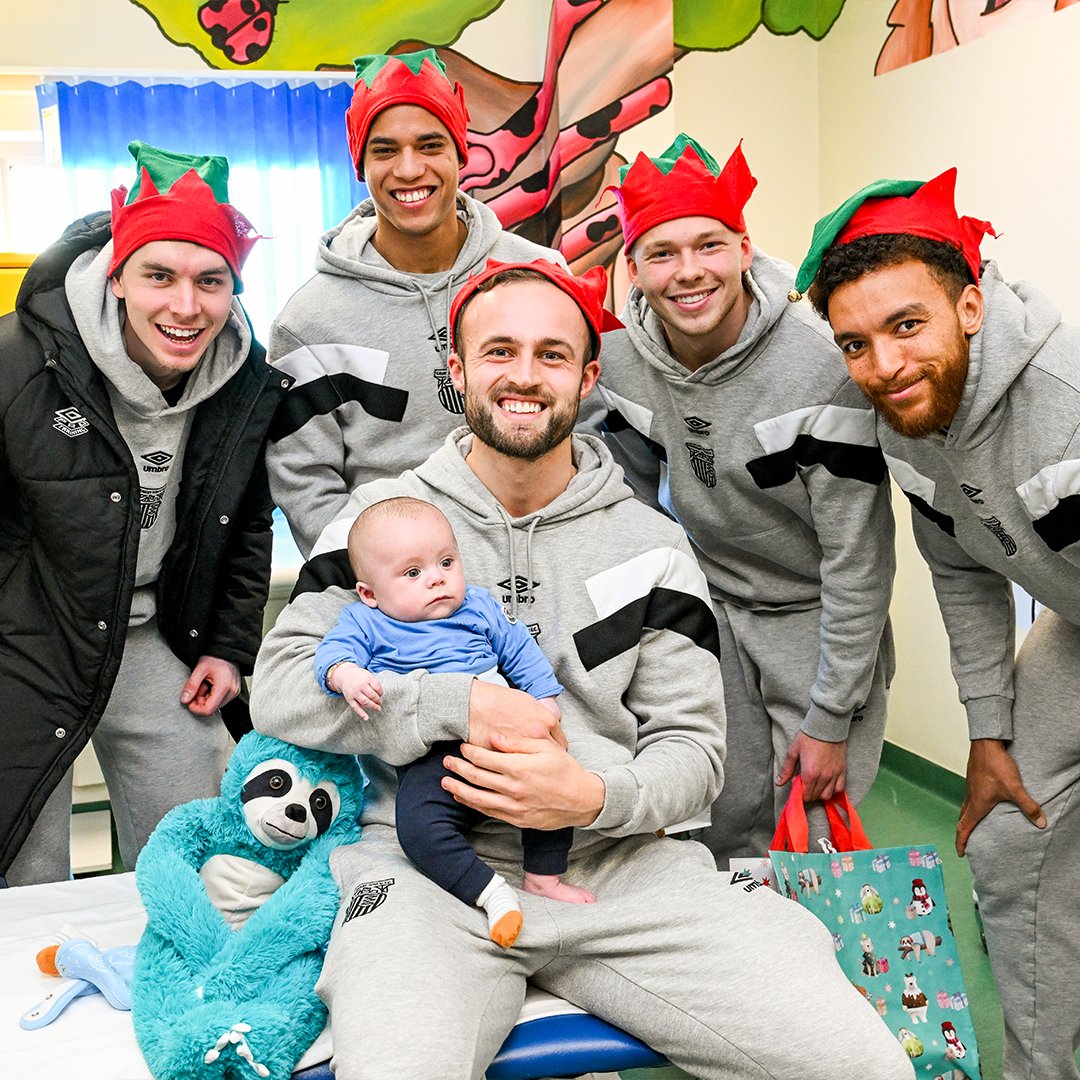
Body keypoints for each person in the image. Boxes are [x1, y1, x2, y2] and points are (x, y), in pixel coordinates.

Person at [251, 258, 914, 1079]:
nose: (523, 375)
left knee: (862, 1065)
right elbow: (278, 685)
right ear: (457, 373)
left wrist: (593, 797)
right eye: (497, 352)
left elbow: (696, 757)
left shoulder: (652, 545)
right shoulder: (378, 524)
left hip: (621, 870)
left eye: (552, 355)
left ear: (587, 376)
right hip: (423, 873)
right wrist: (449, 705)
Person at [797, 166, 1080, 1080]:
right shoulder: (905, 424)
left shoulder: (1066, 403)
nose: (884, 367)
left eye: (905, 326)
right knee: (1008, 833)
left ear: (968, 306)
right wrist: (989, 732)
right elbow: (963, 575)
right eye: (855, 344)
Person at [596, 134, 896, 860]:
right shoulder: (620, 364)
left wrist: (829, 719)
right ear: (633, 268)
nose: (689, 272)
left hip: (815, 614)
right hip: (712, 608)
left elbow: (858, 561)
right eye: (662, 254)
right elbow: (629, 507)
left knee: (814, 833)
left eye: (708, 246)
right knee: (718, 817)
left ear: (743, 247)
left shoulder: (820, 366)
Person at [0, 141, 290, 886]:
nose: (185, 306)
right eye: (158, 275)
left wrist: (228, 647)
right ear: (119, 275)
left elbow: (245, 525)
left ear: (235, 287)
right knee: (25, 867)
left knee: (198, 858)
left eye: (210, 281)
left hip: (152, 633)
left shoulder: (246, 382)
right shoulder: (18, 361)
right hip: (26, 637)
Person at [266, 48, 569, 557]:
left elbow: (584, 427)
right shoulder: (309, 320)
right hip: (396, 587)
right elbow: (303, 478)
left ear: (460, 153)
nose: (409, 169)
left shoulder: (541, 277)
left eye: (430, 145)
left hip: (543, 559)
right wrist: (380, 574)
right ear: (361, 163)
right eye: (384, 150)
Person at [314, 495, 593, 948]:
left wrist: (544, 698)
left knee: (555, 785)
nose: (437, 579)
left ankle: (544, 876)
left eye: (446, 562)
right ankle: (489, 892)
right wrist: (345, 674)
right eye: (412, 573)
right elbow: (330, 655)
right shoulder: (366, 622)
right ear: (370, 593)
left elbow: (518, 648)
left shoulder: (478, 606)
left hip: (501, 732)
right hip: (432, 753)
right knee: (417, 825)